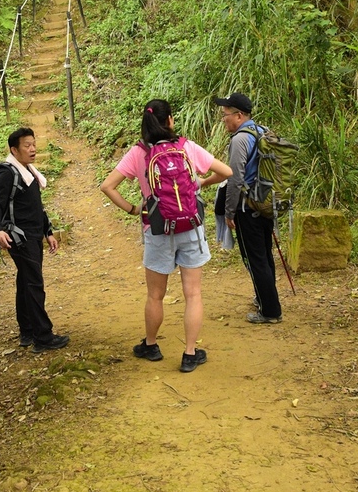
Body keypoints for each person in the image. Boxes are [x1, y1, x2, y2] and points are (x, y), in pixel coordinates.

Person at [100, 99, 232, 373]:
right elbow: (226, 172)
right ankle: (189, 353)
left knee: (155, 296)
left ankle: (150, 345)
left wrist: (134, 209)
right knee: (193, 294)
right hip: (191, 226)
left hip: (157, 229)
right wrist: (202, 183)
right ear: (170, 120)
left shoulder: (139, 153)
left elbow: (108, 186)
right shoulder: (186, 147)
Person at [0, 127, 70, 353]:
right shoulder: (8, 173)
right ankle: (43, 337)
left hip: (34, 234)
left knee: (26, 282)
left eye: (33, 144)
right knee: (34, 284)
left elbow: (36, 206)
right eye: (27, 145)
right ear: (14, 150)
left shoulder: (27, 170)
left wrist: (48, 231)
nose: (32, 148)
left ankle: (27, 331)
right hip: (20, 237)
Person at [214, 93, 283, 325]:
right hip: (265, 204)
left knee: (254, 259)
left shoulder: (240, 140)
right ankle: (265, 298)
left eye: (225, 115)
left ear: (239, 115)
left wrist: (230, 212)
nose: (223, 119)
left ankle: (270, 311)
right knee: (264, 255)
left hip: (247, 207)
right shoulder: (263, 131)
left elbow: (235, 179)